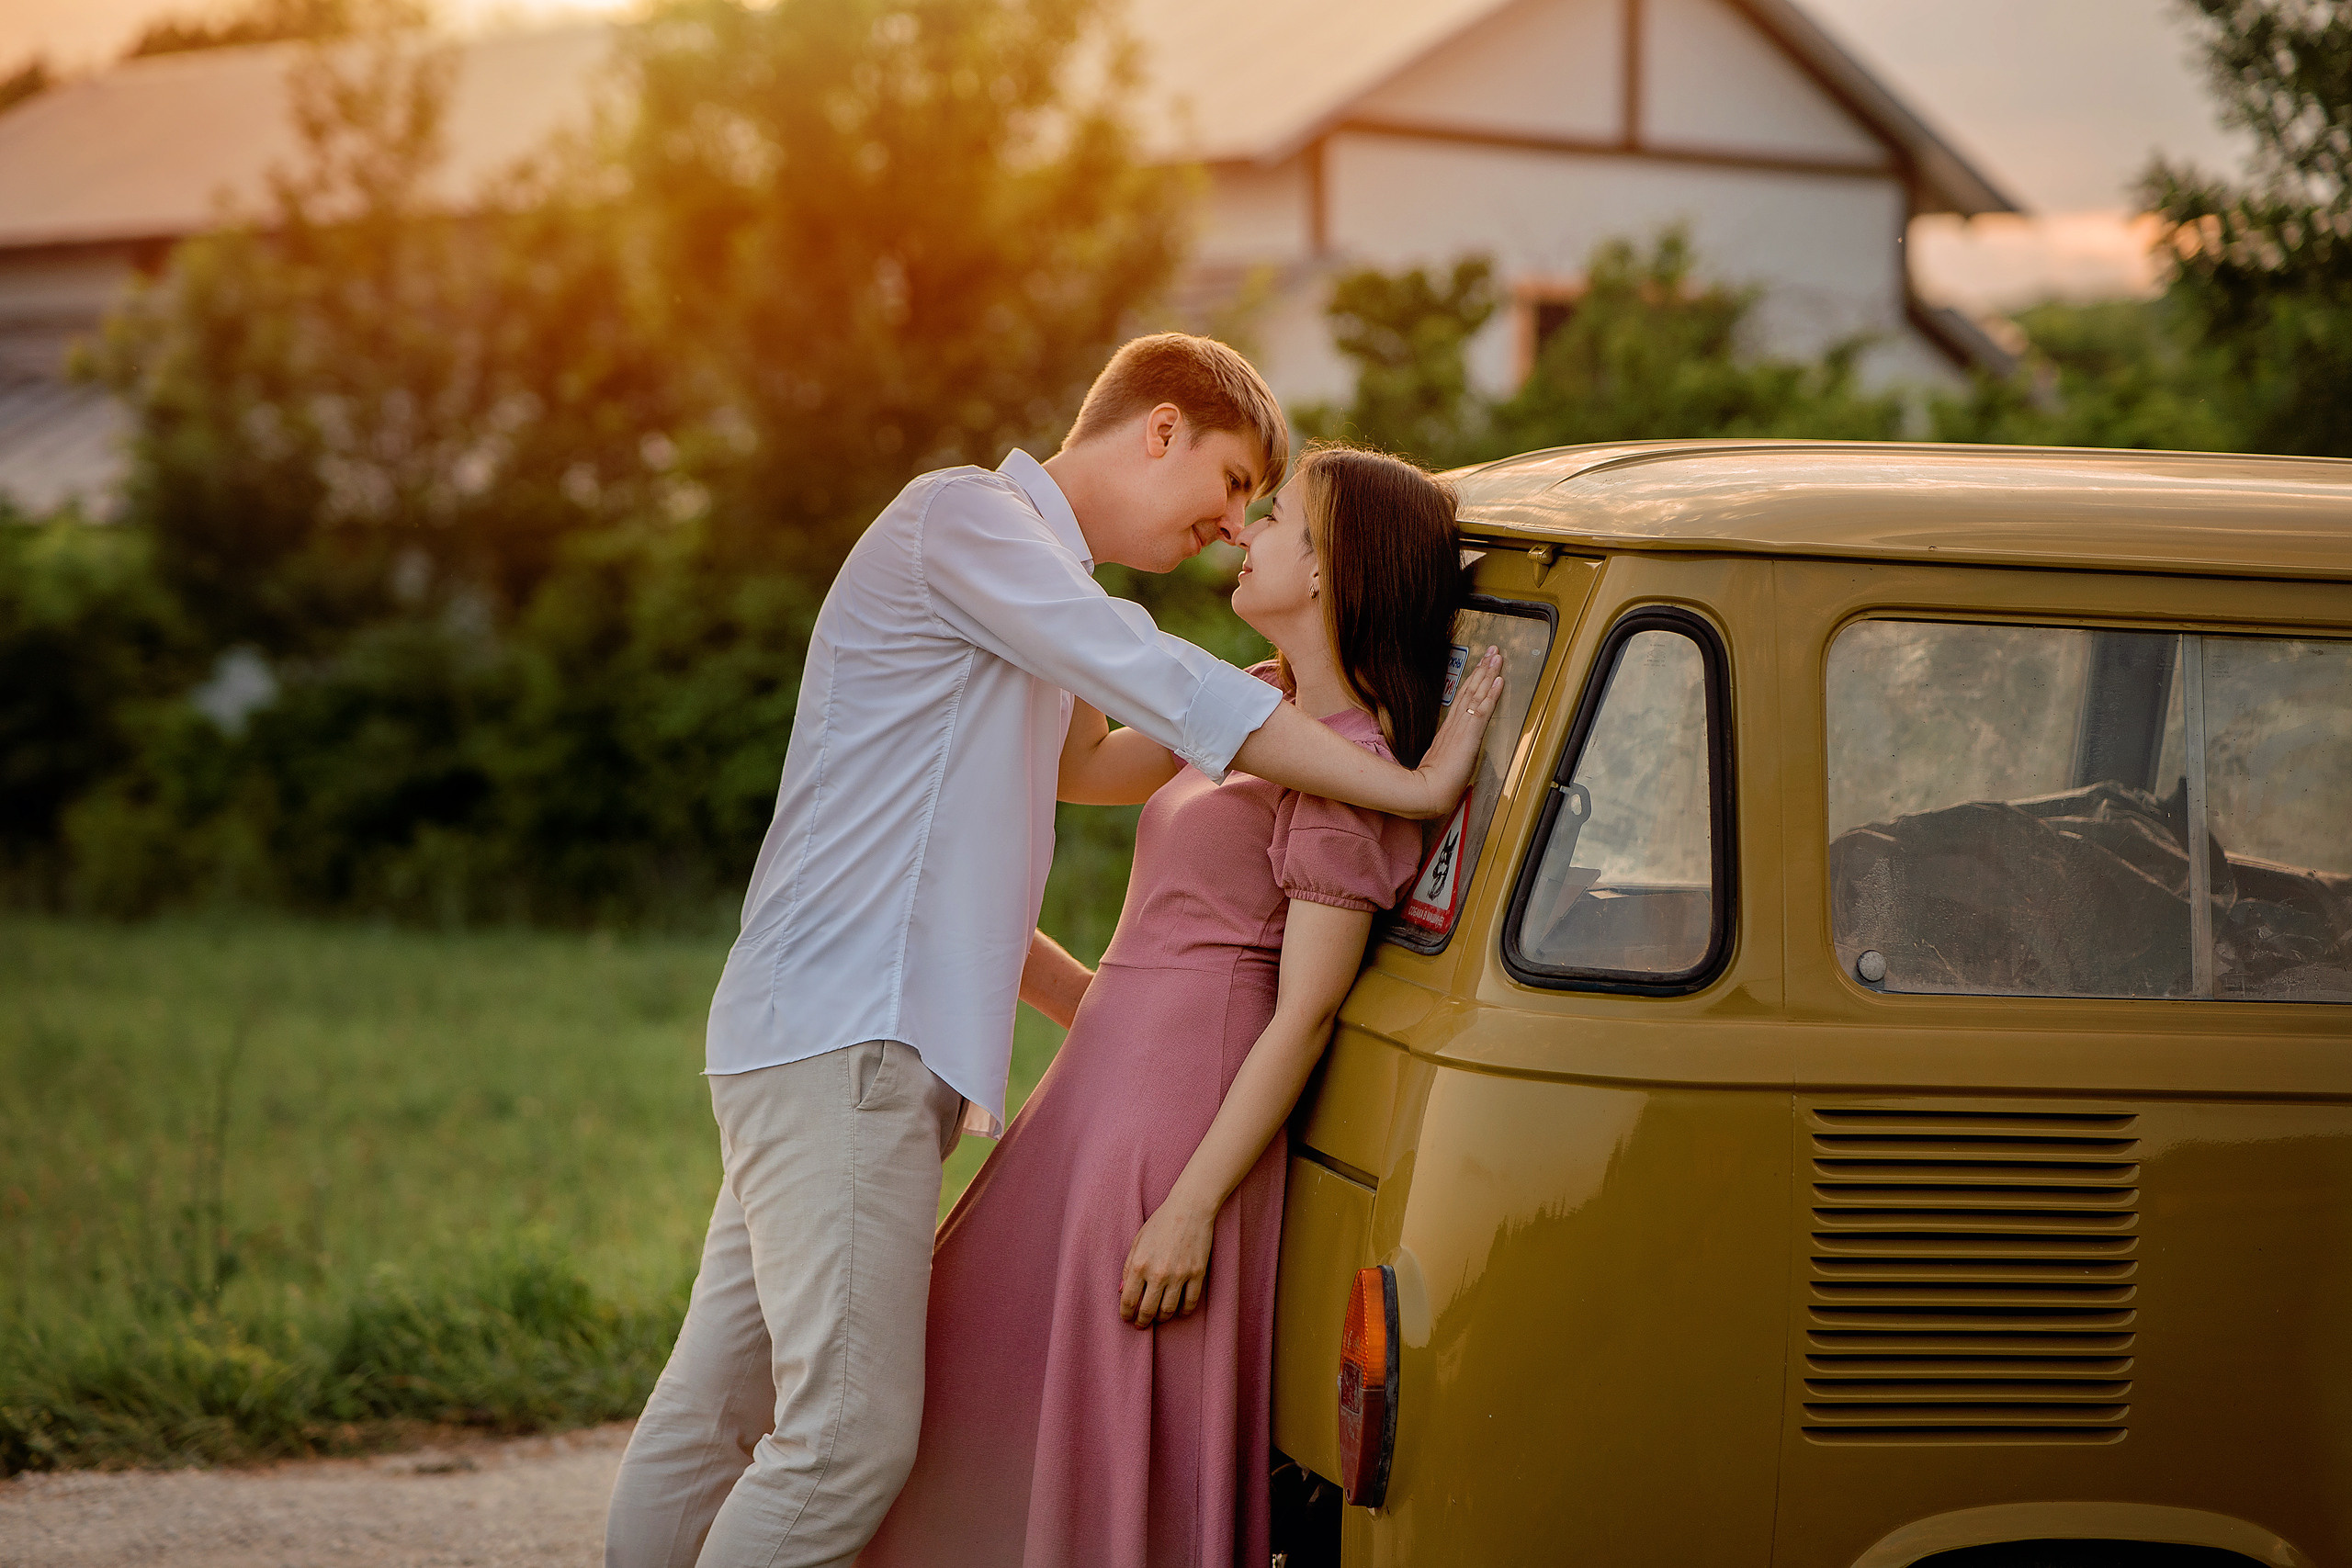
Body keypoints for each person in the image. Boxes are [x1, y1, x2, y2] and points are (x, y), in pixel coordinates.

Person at [603, 336, 1503, 1568]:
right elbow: (1161, 684)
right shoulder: (967, 525)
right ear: (1161, 430)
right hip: (850, 1037)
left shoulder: (1030, 589)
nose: (1230, 521)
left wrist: (1110, 1012)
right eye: (1233, 480)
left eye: (1259, 506)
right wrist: (1419, 780)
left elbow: (1078, 770)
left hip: (823, 1027)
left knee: (716, 1406)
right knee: (851, 1439)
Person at [859, 445, 1464, 1568]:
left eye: (1275, 516)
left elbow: (1304, 1017)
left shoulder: (1347, 767)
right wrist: (1062, 585)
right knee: (959, 1371)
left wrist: (1190, 1208)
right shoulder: (1254, 706)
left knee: (1092, 1421)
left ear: (1330, 570)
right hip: (1095, 1089)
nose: (1246, 531)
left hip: (1173, 1127)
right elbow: (1077, 765)